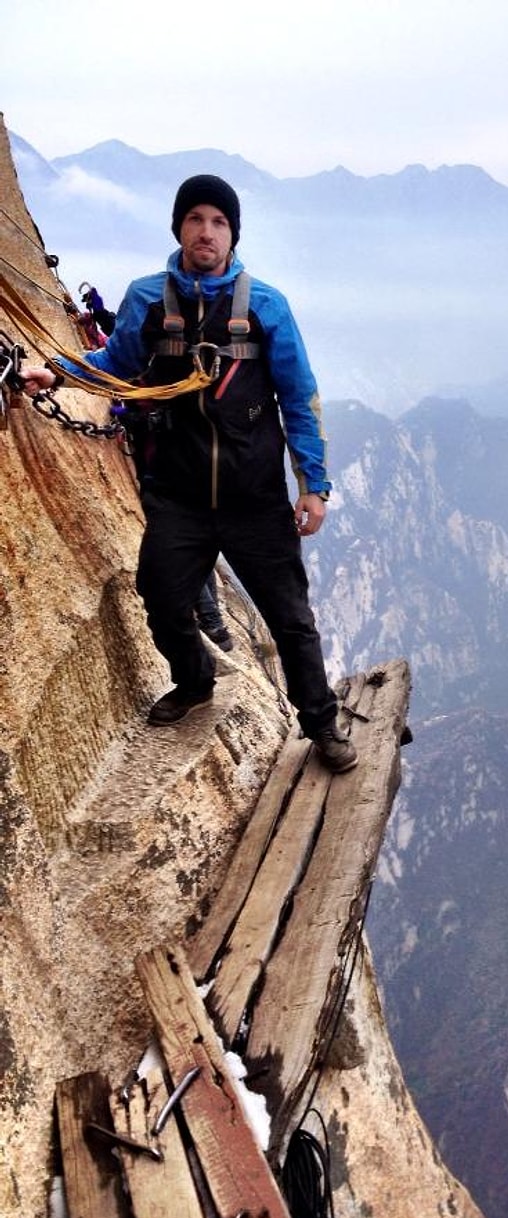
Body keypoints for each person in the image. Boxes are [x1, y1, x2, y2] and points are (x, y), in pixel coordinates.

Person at [21, 175, 356, 773]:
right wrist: (59, 373)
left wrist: (313, 485)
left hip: (253, 499)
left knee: (291, 620)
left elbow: (299, 398)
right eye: (196, 219)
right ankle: (196, 681)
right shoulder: (150, 299)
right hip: (179, 495)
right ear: (179, 227)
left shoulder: (265, 307)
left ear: (233, 234)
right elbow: (116, 363)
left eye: (219, 222)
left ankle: (322, 723)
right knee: (162, 596)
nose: (206, 231)